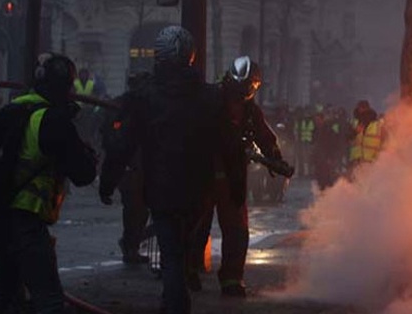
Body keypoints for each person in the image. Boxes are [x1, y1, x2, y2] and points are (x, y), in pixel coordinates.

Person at [98, 26, 218, 314]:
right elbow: (223, 144)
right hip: (199, 190)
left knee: (172, 255)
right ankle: (173, 300)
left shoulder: (146, 97)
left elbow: (124, 145)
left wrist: (107, 181)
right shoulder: (209, 96)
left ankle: (176, 304)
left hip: (162, 188)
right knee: (183, 248)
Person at [0, 53, 97, 313]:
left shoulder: (10, 111)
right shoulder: (52, 121)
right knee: (49, 301)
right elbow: (83, 174)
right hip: (28, 222)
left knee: (4, 297)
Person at [192, 56, 287, 298]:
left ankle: (231, 279)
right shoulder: (211, 101)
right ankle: (188, 270)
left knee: (235, 230)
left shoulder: (248, 110)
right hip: (205, 172)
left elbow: (263, 134)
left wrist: (274, 155)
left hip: (231, 176)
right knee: (195, 225)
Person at [97, 73, 151, 265]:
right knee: (134, 209)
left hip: (143, 167)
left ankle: (132, 243)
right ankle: (130, 246)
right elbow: (115, 147)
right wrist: (107, 184)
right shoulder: (122, 107)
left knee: (143, 211)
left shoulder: (145, 106)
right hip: (132, 168)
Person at [348, 100, 385, 174]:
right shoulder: (354, 123)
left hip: (372, 162)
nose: (361, 111)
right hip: (356, 161)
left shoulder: (377, 125)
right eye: (360, 109)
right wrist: (355, 132)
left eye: (363, 109)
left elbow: (384, 142)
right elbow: (347, 138)